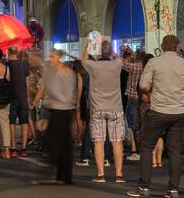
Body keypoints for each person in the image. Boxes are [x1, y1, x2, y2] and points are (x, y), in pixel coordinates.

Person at [128, 35, 184, 198]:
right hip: (178, 112)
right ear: (177, 47)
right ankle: (173, 189)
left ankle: (144, 186)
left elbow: (143, 85)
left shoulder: (154, 62)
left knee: (146, 146)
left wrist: (151, 93)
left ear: (162, 46)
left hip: (158, 110)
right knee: (174, 150)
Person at [31, 49, 81, 185]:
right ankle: (64, 176)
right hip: (64, 110)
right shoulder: (66, 72)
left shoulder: (61, 72)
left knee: (55, 143)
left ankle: (53, 173)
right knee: (64, 144)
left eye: (52, 56)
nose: (50, 59)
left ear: (59, 57)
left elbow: (52, 87)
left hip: (61, 110)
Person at [82, 41, 127, 183]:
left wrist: (88, 45)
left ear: (98, 53)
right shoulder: (117, 64)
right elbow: (118, 56)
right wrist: (112, 51)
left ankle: (101, 174)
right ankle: (119, 175)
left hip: (98, 109)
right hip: (115, 108)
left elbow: (83, 59)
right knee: (117, 141)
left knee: (99, 142)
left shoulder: (93, 66)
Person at [7, 47, 32, 155]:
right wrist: (28, 97)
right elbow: (27, 82)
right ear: (17, 52)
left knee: (11, 122)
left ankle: (13, 148)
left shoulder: (7, 64)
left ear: (8, 52)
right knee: (24, 122)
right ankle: (24, 148)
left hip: (11, 97)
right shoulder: (24, 63)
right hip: (23, 97)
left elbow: (7, 79)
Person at [121, 46, 144, 160]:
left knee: (133, 126)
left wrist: (124, 52)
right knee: (139, 125)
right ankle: (139, 151)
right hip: (142, 99)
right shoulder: (146, 67)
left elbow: (120, 62)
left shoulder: (134, 67)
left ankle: (136, 152)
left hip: (132, 99)